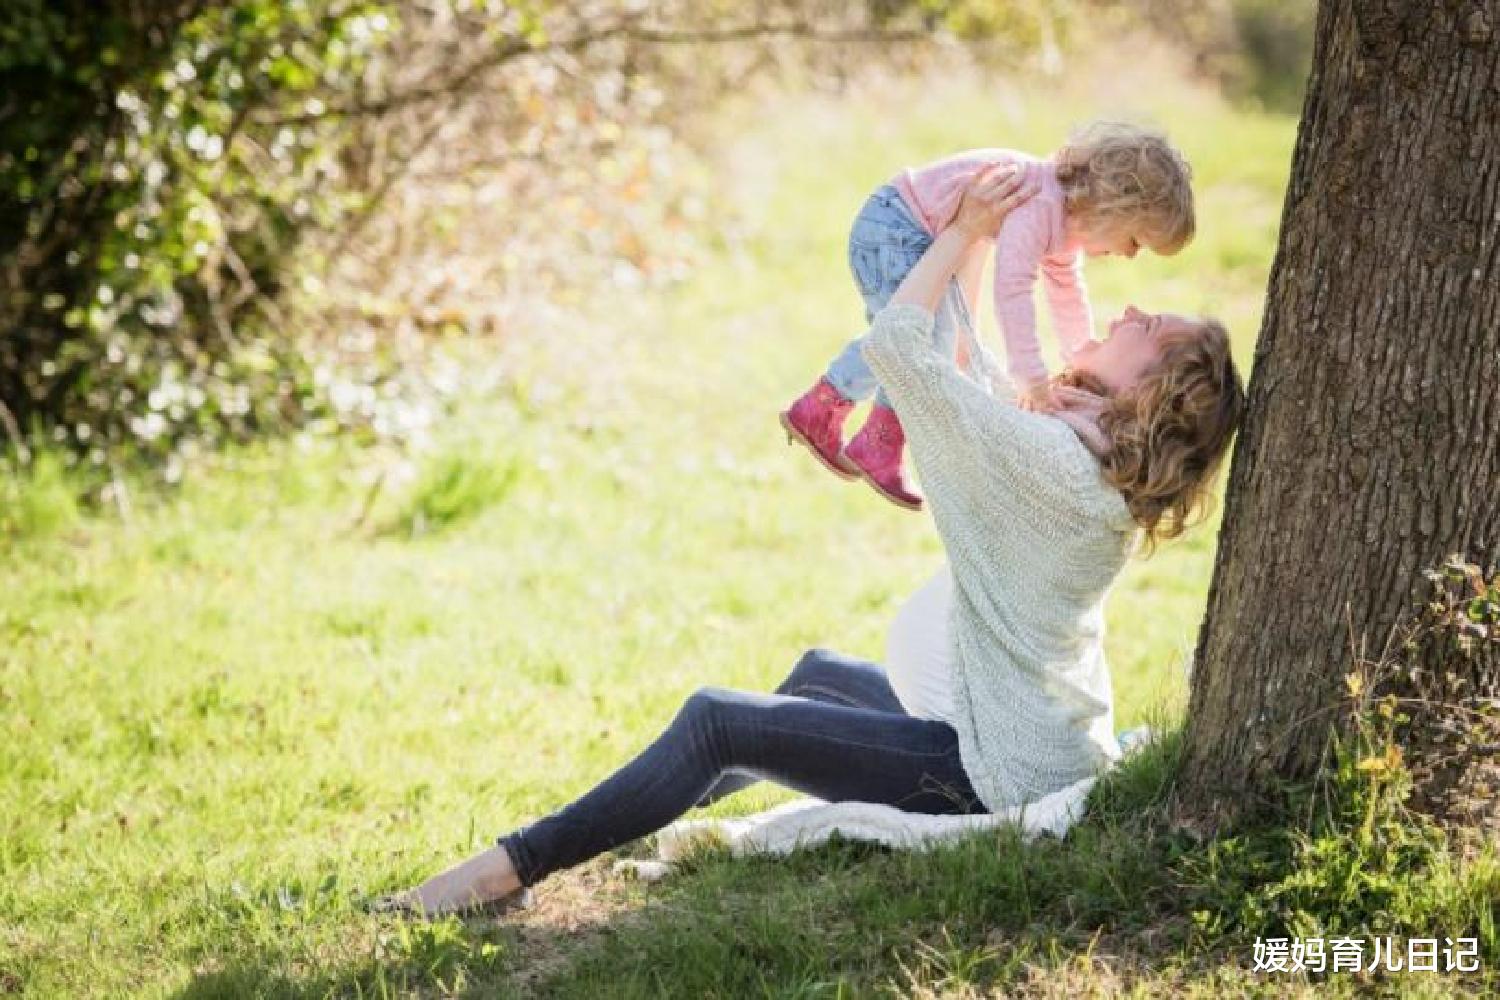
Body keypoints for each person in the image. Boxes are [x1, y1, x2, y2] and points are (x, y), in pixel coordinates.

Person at [374, 165, 1243, 920]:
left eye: (1152, 327)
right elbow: (974, 376)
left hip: (990, 773)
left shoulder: (1052, 464)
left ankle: (507, 870)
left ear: (1153, 391)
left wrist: (965, 231)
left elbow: (902, 348)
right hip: (1017, 735)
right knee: (817, 676)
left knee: (719, 719)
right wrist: (976, 243)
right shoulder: (1086, 460)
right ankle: (615, 823)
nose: (1129, 307)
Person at [780, 121, 1195, 510]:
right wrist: (1030, 378)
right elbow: (1012, 290)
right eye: (1135, 241)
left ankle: (870, 435)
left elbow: (1067, 293)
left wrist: (1081, 355)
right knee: (914, 337)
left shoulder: (1064, 221)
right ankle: (840, 416)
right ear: (1116, 207)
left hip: (909, 232)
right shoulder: (1041, 203)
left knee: (920, 339)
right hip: (895, 228)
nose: (1128, 255)